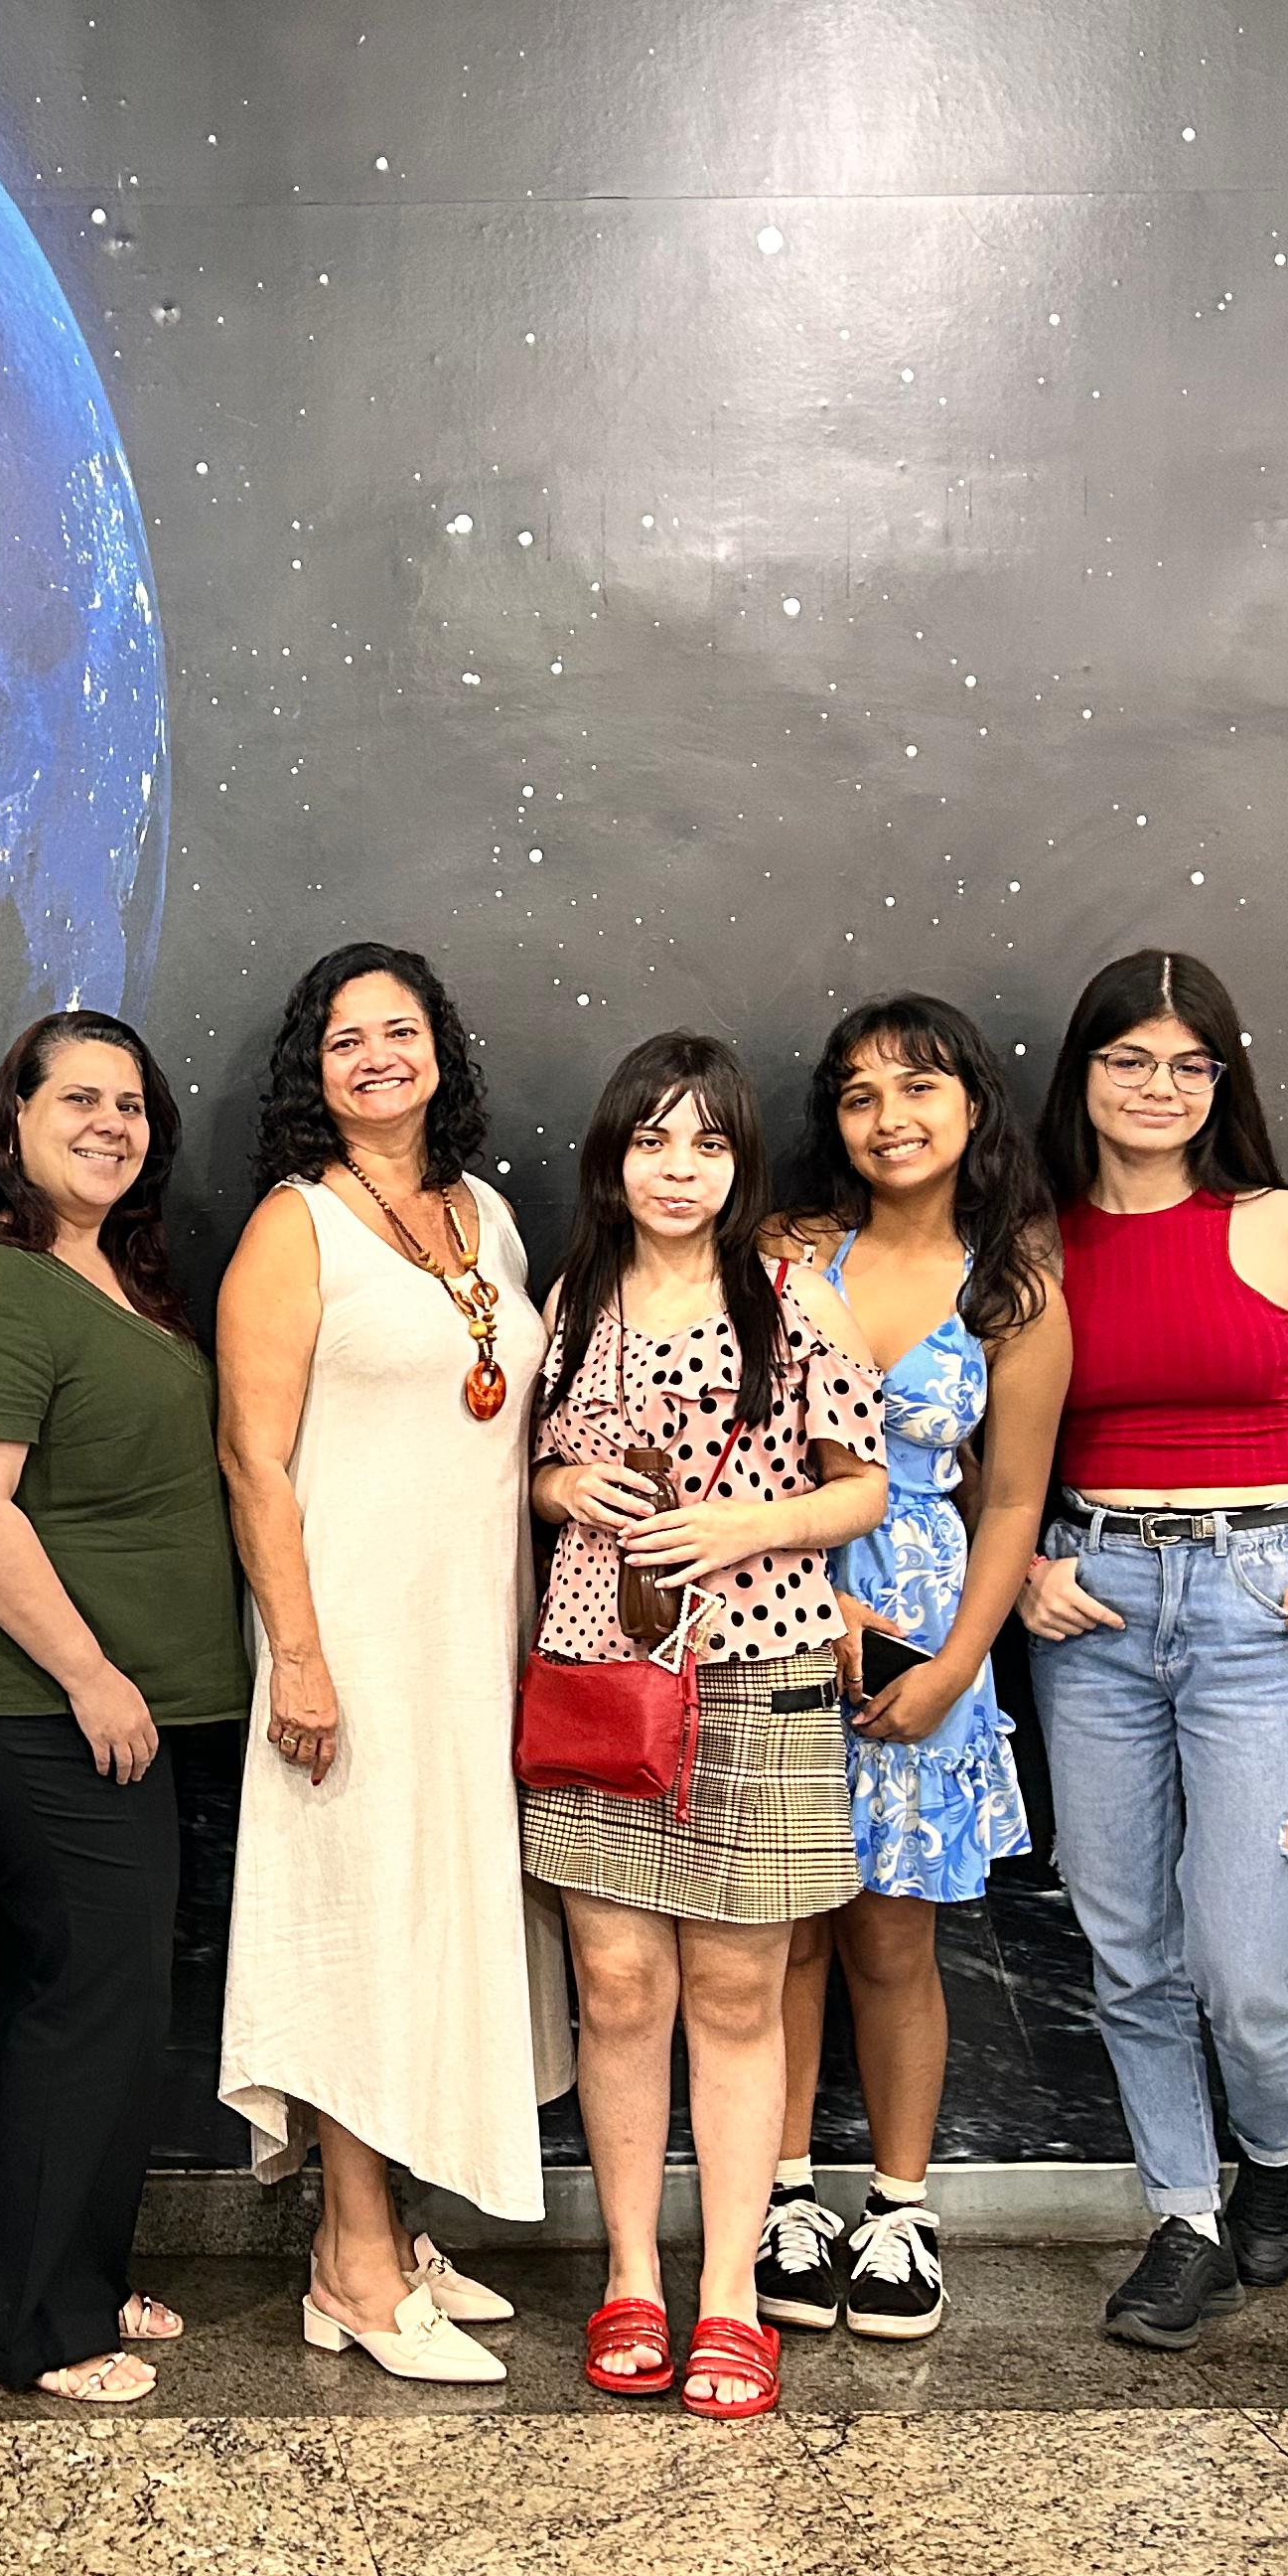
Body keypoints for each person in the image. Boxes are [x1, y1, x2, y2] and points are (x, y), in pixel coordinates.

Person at [1019, 951, 1288, 2351]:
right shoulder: (1035, 1243)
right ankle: (1183, 2219)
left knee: (1248, 1953)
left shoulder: (1283, 1225)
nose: (1159, 1088)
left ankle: (1276, 2150)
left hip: (1260, 1602)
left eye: (1189, 1065)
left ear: (1221, 1082)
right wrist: (1028, 1570)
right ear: (1086, 1073)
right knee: (1128, 1946)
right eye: (1131, 1060)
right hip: (1099, 1604)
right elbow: (975, 1435)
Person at [214, 945, 572, 2383]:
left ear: (439, 1049)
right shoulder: (294, 1226)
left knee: (432, 1922)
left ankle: (388, 2230)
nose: (376, 1056)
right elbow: (252, 1459)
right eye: (345, 1037)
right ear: (313, 1070)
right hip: (349, 1637)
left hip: (472, 1638)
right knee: (355, 1927)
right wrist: (299, 1656)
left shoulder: (486, 1216)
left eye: (399, 1030)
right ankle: (352, 2263)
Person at [0, 1011, 250, 2406]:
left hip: (104, 1707)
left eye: (132, 1104)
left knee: (85, 1989)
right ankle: (29, 2325)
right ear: (14, 1122)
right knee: (87, 1995)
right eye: (79, 1099)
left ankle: (63, 2275)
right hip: (32, 1705)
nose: (111, 1123)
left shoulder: (109, 1274)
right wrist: (92, 1674)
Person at [524, 1033, 886, 2422]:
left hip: (757, 1669)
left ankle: (728, 2294)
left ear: (742, 1162)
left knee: (738, 1993)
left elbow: (862, 1489)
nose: (678, 1170)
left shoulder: (795, 1298)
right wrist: (567, 1492)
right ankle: (630, 2274)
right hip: (598, 1671)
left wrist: (748, 1525)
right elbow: (533, 1472)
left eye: (709, 1144)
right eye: (652, 1141)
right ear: (614, 1156)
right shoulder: (574, 1299)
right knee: (618, 1986)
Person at [751, 997, 1067, 2345]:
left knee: (892, 1935)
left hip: (927, 1634)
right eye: (860, 1094)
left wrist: (953, 1668)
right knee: (779, 1929)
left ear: (973, 1106)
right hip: (773, 1610)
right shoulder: (785, 1252)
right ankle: (779, 2197)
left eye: (919, 1087)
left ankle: (898, 2209)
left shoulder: (1014, 1288)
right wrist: (797, 1589)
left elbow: (1014, 1503)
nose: (891, 1118)